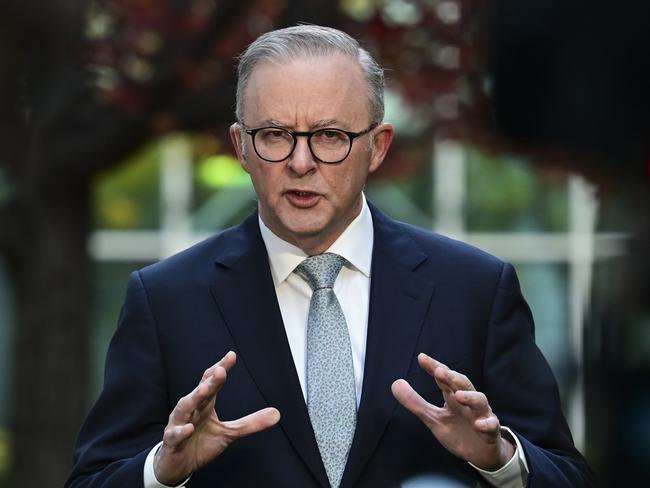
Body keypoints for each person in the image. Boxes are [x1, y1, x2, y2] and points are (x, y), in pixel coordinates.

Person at [66, 25, 593, 488]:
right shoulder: (166, 300)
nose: (301, 162)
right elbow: (92, 479)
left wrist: (500, 461)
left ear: (378, 146)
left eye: (330, 136)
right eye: (274, 134)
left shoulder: (475, 289)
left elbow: (567, 475)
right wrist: (162, 470)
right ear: (241, 147)